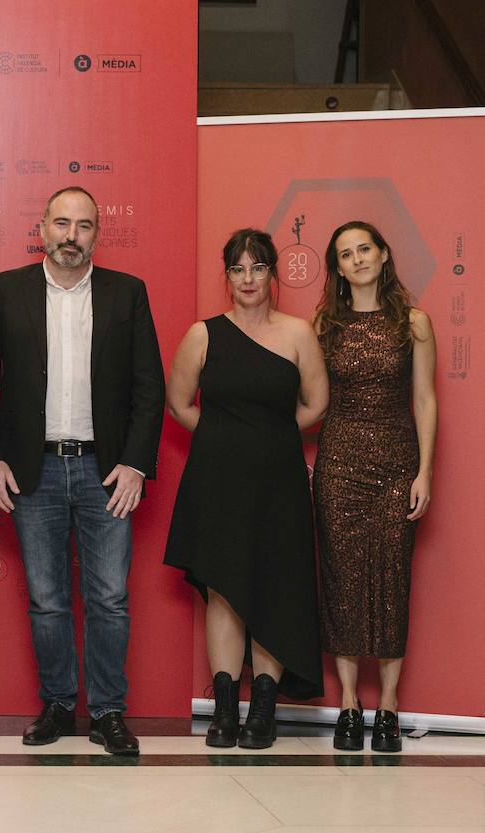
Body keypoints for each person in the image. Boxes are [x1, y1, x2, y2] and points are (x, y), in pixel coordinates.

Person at [0, 186, 164, 757]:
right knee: (47, 599)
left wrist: (135, 462)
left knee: (109, 597)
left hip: (104, 471)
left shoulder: (126, 293)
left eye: (83, 225)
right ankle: (60, 704)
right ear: (41, 226)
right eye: (61, 223)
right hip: (31, 471)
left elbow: (149, 388)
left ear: (97, 233)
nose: (71, 235)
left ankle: (108, 712)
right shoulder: (7, 290)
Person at [164, 228, 327, 749]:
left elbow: (316, 403)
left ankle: (263, 709)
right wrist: (225, 438)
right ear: (227, 276)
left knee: (275, 585)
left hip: (279, 478)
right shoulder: (203, 334)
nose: (248, 278)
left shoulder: (299, 333)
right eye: (238, 268)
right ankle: (225, 710)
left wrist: (270, 436)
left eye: (258, 267)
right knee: (225, 589)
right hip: (217, 478)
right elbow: (180, 403)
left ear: (273, 273)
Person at [313, 221, 437, 753]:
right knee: (341, 581)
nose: (358, 258)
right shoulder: (323, 325)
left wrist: (424, 472)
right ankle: (347, 703)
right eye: (346, 253)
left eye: (365, 248)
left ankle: (387, 707)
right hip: (338, 464)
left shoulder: (414, 323)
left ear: (384, 256)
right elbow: (312, 402)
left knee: (391, 582)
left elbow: (426, 401)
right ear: (337, 268)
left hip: (396, 464)